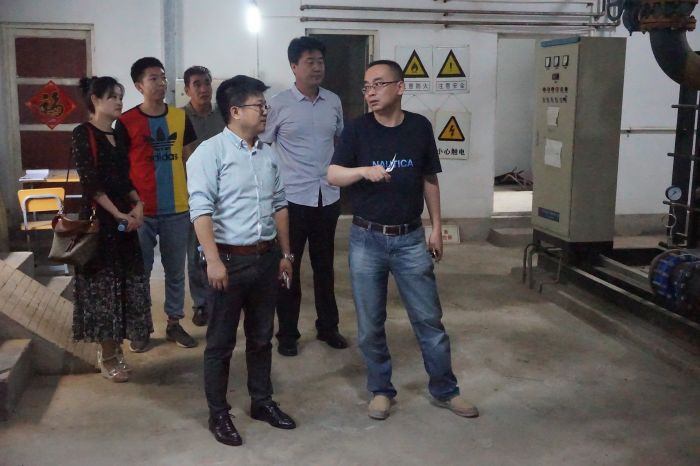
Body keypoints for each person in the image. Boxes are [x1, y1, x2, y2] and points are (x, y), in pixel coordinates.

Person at [327, 60, 479, 420]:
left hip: (410, 238)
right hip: (366, 239)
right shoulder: (357, 130)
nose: (371, 92)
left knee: (429, 320)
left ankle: (446, 389)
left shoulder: (419, 127)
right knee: (369, 325)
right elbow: (332, 174)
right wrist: (363, 171)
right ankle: (381, 390)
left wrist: (436, 227)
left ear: (399, 87)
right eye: (366, 86)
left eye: (378, 84)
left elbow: (429, 178)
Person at [187, 75, 297, 447]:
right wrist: (213, 260)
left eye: (265, 106)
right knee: (220, 343)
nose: (265, 112)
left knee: (262, 337)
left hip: (265, 259)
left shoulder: (268, 153)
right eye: (259, 106)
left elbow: (280, 205)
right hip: (228, 262)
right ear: (235, 111)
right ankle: (218, 413)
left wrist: (285, 254)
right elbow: (200, 211)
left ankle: (261, 401)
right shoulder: (210, 153)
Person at [260, 36, 347, 357]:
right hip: (292, 201)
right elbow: (263, 146)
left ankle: (328, 327)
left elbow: (339, 141)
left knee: (325, 268)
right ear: (294, 66)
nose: (317, 67)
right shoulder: (279, 104)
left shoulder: (333, 102)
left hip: (327, 198)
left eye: (320, 61)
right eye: (310, 62)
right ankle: (287, 334)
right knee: (288, 268)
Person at [71, 76, 152, 383]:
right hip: (101, 222)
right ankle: (107, 356)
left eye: (120, 96)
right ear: (95, 100)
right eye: (113, 97)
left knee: (125, 288)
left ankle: (117, 350)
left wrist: (138, 204)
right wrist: (118, 213)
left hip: (124, 221)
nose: (119, 102)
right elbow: (90, 183)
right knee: (104, 292)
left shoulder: (119, 134)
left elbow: (123, 178)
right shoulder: (83, 133)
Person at [116, 57, 198, 352]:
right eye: (153, 78)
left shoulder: (179, 117)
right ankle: (140, 327)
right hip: (141, 212)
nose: (161, 83)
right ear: (139, 85)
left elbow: (192, 159)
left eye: (162, 77)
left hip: (177, 207)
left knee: (176, 271)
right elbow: (120, 169)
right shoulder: (125, 122)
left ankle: (174, 323)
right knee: (140, 273)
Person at [181, 65, 225, 327]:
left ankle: (223, 298)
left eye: (207, 82)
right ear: (187, 89)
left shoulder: (223, 116)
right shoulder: (179, 118)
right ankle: (201, 304)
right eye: (197, 84)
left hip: (225, 193)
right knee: (196, 251)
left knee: (225, 248)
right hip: (195, 195)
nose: (204, 88)